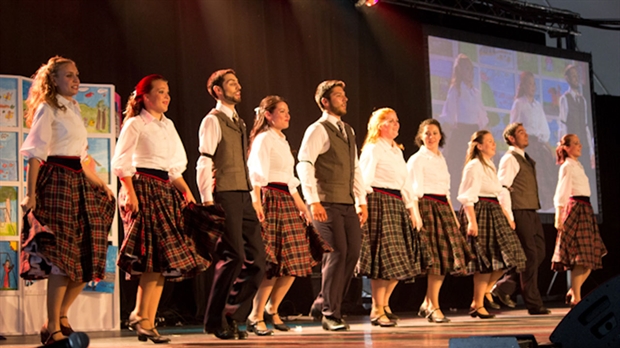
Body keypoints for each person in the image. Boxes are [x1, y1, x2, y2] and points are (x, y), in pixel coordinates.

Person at [19, 56, 115, 345]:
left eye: (77, 75)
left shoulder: (73, 109)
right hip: (57, 183)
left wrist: (101, 184)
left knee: (85, 257)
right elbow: (37, 154)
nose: (76, 80)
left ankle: (57, 318)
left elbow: (81, 157)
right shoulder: (47, 109)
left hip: (77, 183)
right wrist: (30, 193)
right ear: (54, 81)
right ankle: (55, 329)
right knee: (62, 260)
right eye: (69, 76)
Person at [112, 74, 211, 344]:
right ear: (145, 96)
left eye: (168, 92)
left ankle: (145, 318)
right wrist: (130, 193)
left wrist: (187, 192)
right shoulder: (135, 124)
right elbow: (121, 162)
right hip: (142, 188)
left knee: (162, 260)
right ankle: (141, 317)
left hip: (164, 190)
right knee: (150, 258)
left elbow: (174, 168)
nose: (166, 97)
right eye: (160, 92)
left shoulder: (168, 125)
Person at [246, 96, 331, 335]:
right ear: (268, 115)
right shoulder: (264, 139)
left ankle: (273, 309)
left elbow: (290, 180)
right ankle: (256, 314)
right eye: (282, 111)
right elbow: (255, 173)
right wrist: (256, 201)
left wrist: (302, 205)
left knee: (295, 262)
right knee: (274, 263)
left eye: (288, 111)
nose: (287, 115)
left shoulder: (282, 140)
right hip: (270, 198)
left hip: (287, 199)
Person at [197, 69, 265, 340]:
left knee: (258, 260)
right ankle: (214, 320)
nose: (239, 87)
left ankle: (233, 315)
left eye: (238, 82)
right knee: (232, 256)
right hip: (224, 193)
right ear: (217, 90)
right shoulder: (212, 120)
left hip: (243, 194)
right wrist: (207, 201)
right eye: (232, 84)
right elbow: (204, 159)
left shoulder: (239, 121)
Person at [297, 80, 368, 331]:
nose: (344, 99)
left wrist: (361, 200)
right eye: (338, 95)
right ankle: (330, 313)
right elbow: (304, 163)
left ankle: (323, 303)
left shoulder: (348, 131)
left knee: (352, 254)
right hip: (326, 202)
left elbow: (356, 168)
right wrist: (312, 199)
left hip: (347, 203)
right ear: (324, 102)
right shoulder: (318, 129)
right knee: (336, 254)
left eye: (344, 95)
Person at [357, 108, 430, 327]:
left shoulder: (397, 151)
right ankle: (377, 309)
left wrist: (413, 211)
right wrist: (361, 205)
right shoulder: (373, 149)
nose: (396, 124)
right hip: (379, 201)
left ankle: (384, 304)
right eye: (390, 121)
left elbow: (405, 184)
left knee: (400, 259)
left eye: (397, 121)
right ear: (380, 125)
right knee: (384, 260)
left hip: (396, 203)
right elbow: (362, 179)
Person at [406, 118, 474, 324]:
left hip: (443, 208)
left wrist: (453, 217)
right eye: (427, 133)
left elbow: (446, 191)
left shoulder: (441, 158)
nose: (431, 137)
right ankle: (433, 305)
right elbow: (411, 190)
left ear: (440, 136)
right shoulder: (417, 159)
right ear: (421, 136)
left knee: (445, 260)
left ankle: (428, 302)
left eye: (434, 133)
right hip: (426, 207)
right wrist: (415, 216)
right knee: (434, 260)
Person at [457, 130, 526, 319]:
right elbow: (468, 196)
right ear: (479, 146)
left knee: (507, 258)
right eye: (489, 141)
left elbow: (498, 192)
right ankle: (477, 303)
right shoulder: (474, 166)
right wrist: (472, 221)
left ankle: (486, 291)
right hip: (481, 212)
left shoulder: (490, 165)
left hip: (495, 210)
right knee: (486, 262)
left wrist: (507, 215)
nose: (493, 144)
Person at [492, 123, 551, 315]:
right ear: (511, 138)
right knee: (531, 255)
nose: (526, 135)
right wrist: (508, 213)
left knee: (539, 252)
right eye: (521, 133)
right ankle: (534, 303)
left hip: (531, 209)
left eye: (525, 132)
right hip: (519, 210)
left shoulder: (525, 158)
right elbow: (502, 187)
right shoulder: (509, 158)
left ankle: (504, 287)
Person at [552, 134, 607, 307]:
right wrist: (558, 213)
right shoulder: (567, 166)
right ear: (566, 148)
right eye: (575, 143)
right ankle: (576, 296)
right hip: (575, 208)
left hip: (586, 209)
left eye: (579, 142)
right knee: (580, 257)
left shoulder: (578, 165)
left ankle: (574, 291)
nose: (580, 146)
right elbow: (562, 191)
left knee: (591, 257)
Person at [438, 54, 488, 206]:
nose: (469, 73)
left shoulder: (475, 92)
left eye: (471, 70)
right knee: (459, 167)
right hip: (461, 133)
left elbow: (482, 115)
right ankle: (457, 202)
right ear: (460, 71)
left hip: (474, 133)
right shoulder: (456, 90)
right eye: (466, 69)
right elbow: (448, 116)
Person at [509, 71, 555, 210]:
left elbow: (543, 128)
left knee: (544, 174)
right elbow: (513, 126)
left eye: (534, 84)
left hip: (538, 144)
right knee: (531, 176)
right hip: (526, 145)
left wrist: (549, 148)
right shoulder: (519, 104)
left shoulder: (537, 105)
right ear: (523, 86)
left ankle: (545, 206)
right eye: (529, 84)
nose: (532, 87)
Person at [558, 65, 597, 209]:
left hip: (583, 146)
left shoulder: (583, 101)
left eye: (577, 76)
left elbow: (586, 125)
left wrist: (591, 151)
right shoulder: (565, 99)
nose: (576, 79)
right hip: (571, 145)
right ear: (567, 78)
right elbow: (562, 124)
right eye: (573, 76)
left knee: (585, 176)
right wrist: (563, 147)